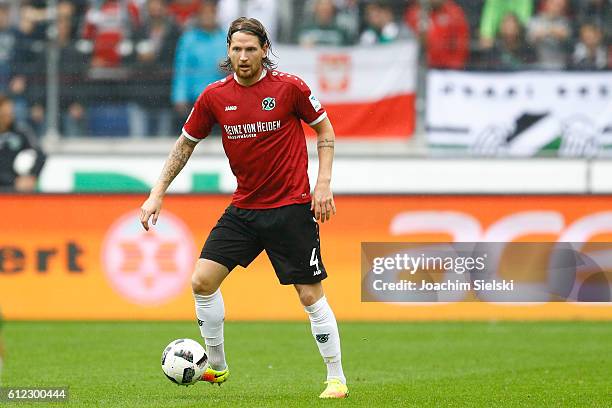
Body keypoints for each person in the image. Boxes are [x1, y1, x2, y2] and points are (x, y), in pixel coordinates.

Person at [140, 17, 348, 399]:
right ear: (228, 52)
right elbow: (184, 145)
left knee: (308, 294)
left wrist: (323, 184)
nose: (243, 56)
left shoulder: (289, 88)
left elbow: (325, 131)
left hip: (291, 207)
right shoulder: (214, 97)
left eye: (251, 49)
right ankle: (217, 368)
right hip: (245, 208)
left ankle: (336, 378)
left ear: (264, 50)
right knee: (202, 281)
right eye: (236, 49)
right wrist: (158, 192)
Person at [171, 0, 226, 128]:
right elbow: (181, 68)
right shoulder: (188, 39)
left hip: (222, 101)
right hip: (195, 100)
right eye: (204, 13)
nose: (208, 17)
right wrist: (179, 96)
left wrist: (230, 66)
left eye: (211, 13)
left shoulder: (227, 37)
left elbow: (239, 65)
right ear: (198, 16)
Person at [404, 0, 470, 69]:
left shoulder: (454, 13)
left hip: (449, 68)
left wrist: (454, 66)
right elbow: (408, 44)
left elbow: (462, 43)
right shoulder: (414, 13)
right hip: (420, 67)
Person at [0, 95, 45, 192]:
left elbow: (40, 155)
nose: (10, 116)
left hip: (17, 190)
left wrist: (32, 177)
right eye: (5, 114)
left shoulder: (21, 131)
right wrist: (11, 181)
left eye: (11, 113)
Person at [527, 0, 571, 69]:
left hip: (560, 65)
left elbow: (567, 39)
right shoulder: (535, 20)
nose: (558, 8)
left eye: (561, 6)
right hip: (538, 65)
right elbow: (529, 40)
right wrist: (551, 31)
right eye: (556, 5)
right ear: (547, 4)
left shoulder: (564, 22)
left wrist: (545, 32)